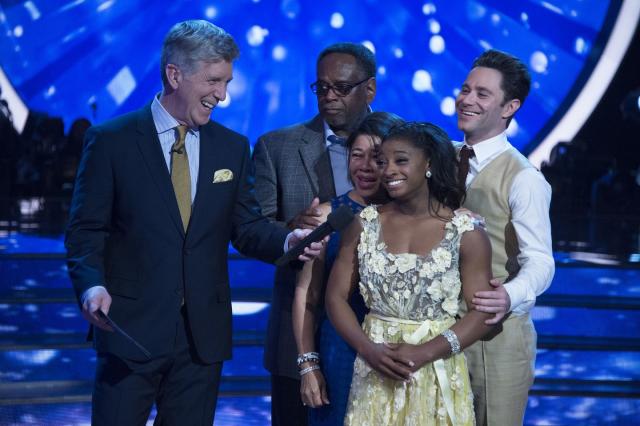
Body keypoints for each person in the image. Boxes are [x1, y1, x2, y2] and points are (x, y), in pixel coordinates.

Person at [65, 20, 320, 425]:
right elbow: (85, 230)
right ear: (174, 74)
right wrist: (91, 285)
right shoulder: (111, 141)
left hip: (201, 339)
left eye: (227, 82)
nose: (223, 94)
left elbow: (247, 227)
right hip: (130, 330)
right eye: (214, 81)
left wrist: (290, 240)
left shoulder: (231, 147)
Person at [326, 122, 495, 425]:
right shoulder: (363, 224)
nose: (388, 170)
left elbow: (481, 313)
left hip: (435, 372)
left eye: (400, 160)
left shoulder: (465, 233)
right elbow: (335, 297)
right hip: (374, 370)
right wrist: (368, 350)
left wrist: (426, 352)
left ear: (428, 163)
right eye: (382, 162)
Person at [253, 42, 376, 426]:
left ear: (369, 89)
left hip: (377, 328)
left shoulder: (402, 143)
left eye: (341, 88)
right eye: (321, 88)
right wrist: (293, 232)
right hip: (300, 323)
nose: (329, 97)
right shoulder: (277, 147)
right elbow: (253, 229)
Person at [455, 49, 555, 425]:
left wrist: (507, 295)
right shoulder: (440, 158)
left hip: (496, 340)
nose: (466, 99)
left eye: (482, 94)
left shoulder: (523, 177)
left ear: (509, 106)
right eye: (466, 89)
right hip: (441, 332)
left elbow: (541, 260)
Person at [292, 112, 404, 424]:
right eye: (357, 154)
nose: (365, 166)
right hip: (339, 355)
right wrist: (308, 366)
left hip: (398, 354)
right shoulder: (326, 217)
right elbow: (307, 296)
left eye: (377, 157)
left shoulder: (416, 216)